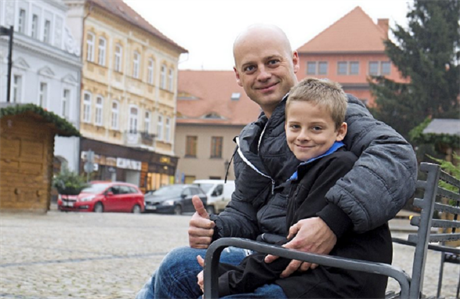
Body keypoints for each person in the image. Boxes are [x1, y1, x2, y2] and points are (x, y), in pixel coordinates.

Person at [136, 23, 417, 299]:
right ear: (238, 76)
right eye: (250, 68)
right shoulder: (251, 140)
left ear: (294, 60)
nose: (263, 75)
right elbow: (246, 211)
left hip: (307, 265)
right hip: (270, 255)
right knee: (174, 270)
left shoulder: (329, 110)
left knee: (176, 268)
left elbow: (396, 156)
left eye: (272, 62)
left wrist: (331, 222)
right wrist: (215, 228)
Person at [196, 77, 392, 298]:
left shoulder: (338, 166)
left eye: (316, 128)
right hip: (320, 272)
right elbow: (288, 247)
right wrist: (221, 271)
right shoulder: (309, 169)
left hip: (346, 282)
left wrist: (227, 280)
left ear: (339, 131)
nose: (303, 137)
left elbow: (294, 248)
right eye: (295, 127)